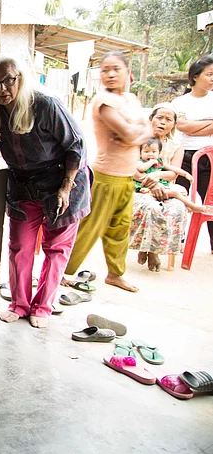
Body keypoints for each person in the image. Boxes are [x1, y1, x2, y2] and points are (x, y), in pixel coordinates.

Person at [0, 53, 91, 328]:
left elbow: (77, 145)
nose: (2, 88)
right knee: (20, 246)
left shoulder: (45, 104)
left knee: (56, 248)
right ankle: (19, 304)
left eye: (8, 80)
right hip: (23, 184)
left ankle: (43, 307)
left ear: (20, 79)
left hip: (62, 179)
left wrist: (65, 187)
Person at [65, 52, 153, 292]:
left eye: (116, 69)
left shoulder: (131, 99)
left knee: (120, 227)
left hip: (127, 177)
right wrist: (136, 133)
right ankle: (64, 270)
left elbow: (146, 130)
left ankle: (115, 274)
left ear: (128, 72)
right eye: (105, 70)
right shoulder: (103, 102)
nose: (111, 74)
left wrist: (137, 134)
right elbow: (131, 134)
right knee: (90, 227)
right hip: (105, 177)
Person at [129, 104, 195, 271]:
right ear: (151, 119)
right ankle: (147, 249)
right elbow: (131, 167)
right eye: (159, 118)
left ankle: (153, 250)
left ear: (174, 124)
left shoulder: (176, 146)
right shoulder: (139, 140)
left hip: (164, 187)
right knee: (151, 207)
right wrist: (151, 183)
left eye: (168, 119)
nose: (163, 122)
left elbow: (172, 174)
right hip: (139, 186)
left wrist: (157, 176)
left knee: (177, 208)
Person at [172, 55, 213, 253]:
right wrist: (208, 124)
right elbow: (181, 126)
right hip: (182, 156)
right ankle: (175, 242)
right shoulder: (180, 102)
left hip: (208, 157)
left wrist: (192, 126)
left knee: (210, 200)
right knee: (179, 198)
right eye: (209, 74)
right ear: (195, 77)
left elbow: (188, 126)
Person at [135, 138, 209, 212]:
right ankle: (193, 206)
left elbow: (173, 168)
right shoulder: (140, 162)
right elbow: (141, 168)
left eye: (154, 152)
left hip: (161, 186)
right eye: (146, 152)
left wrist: (185, 174)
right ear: (140, 154)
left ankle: (188, 207)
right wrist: (151, 162)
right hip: (145, 187)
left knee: (181, 192)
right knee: (175, 193)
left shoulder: (159, 163)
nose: (150, 154)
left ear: (159, 154)